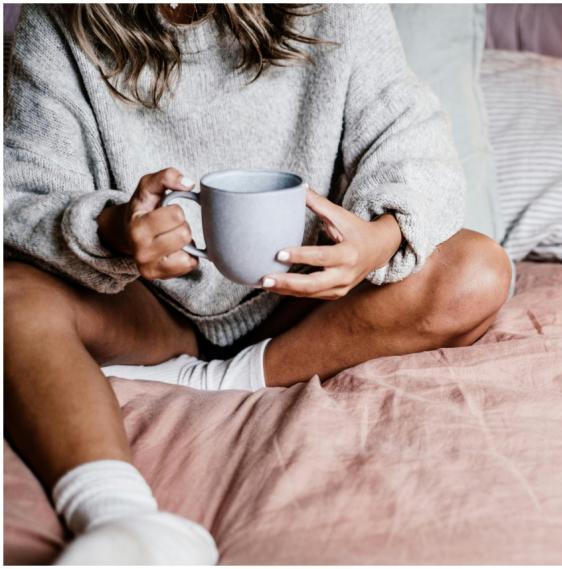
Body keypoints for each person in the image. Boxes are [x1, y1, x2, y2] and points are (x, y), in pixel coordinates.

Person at [4, 4, 512, 564]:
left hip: (305, 304)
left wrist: (379, 240)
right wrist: (112, 229)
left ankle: (220, 378)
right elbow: (21, 195)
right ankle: (119, 519)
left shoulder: (342, 10)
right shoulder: (55, 24)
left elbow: (414, 142)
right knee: (11, 295)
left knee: (477, 271)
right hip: (143, 305)